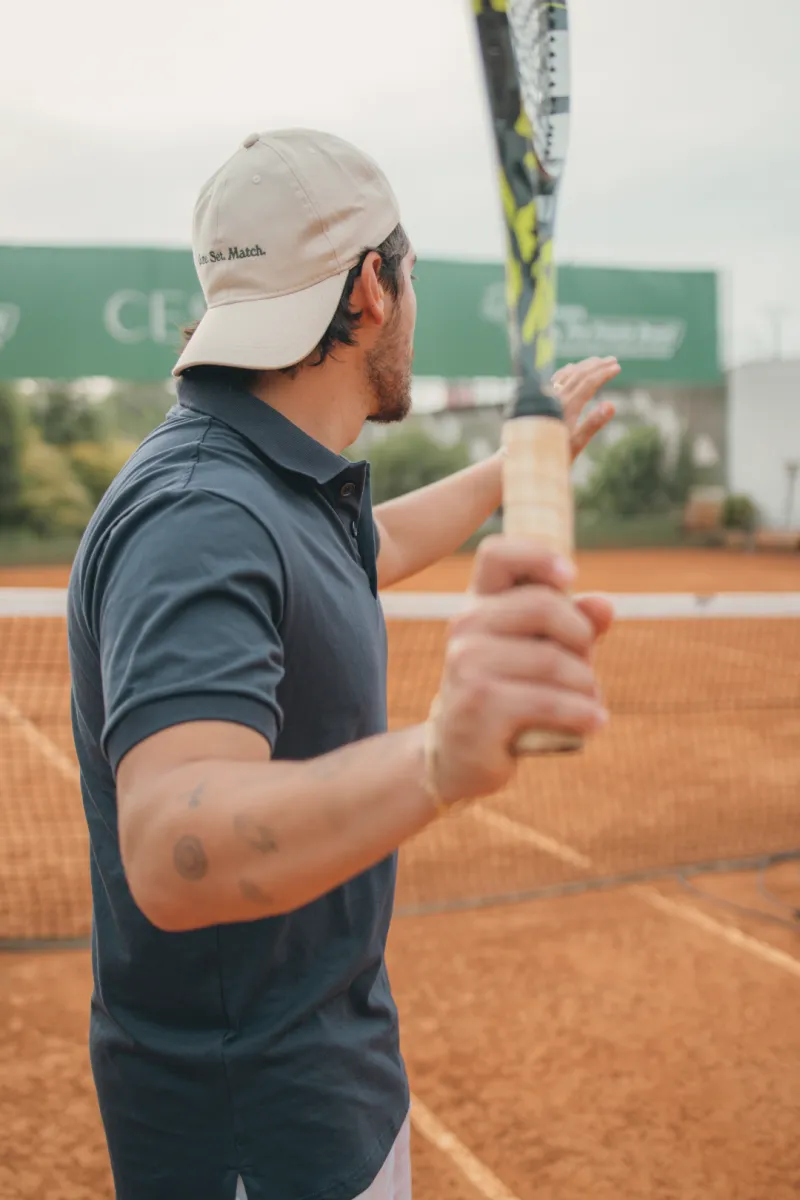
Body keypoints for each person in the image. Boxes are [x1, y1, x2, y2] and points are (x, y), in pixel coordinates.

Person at [67, 128, 619, 1200]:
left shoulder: (275, 484)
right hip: (253, 1136)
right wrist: (438, 757)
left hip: (323, 1081)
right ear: (373, 287)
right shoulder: (201, 514)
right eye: (405, 274)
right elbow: (174, 844)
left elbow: (369, 551)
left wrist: (505, 470)